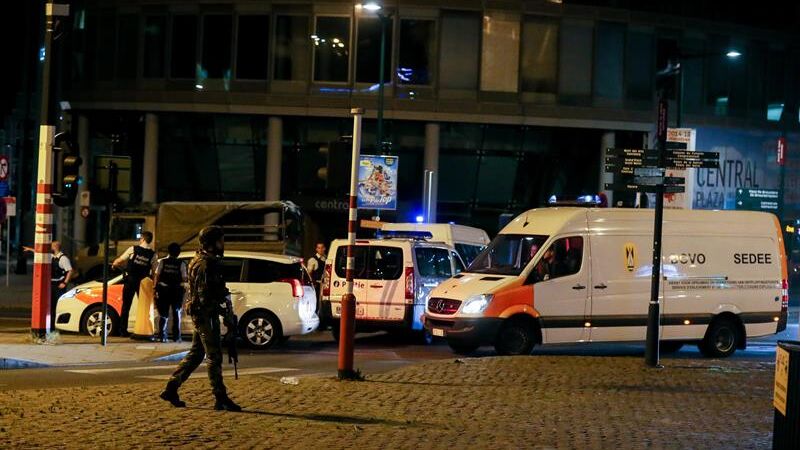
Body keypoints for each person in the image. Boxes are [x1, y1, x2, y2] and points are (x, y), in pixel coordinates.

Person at [160, 226, 241, 412]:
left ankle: (171, 388)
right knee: (214, 356)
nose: (222, 244)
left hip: (200, 313)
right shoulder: (208, 264)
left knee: (197, 354)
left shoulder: (197, 260)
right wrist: (225, 314)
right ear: (212, 243)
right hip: (206, 314)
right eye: (220, 241)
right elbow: (207, 295)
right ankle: (220, 397)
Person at [112, 231, 156, 337]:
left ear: (143, 239)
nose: (140, 240)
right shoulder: (153, 254)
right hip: (143, 283)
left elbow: (119, 261)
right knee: (144, 307)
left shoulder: (133, 249)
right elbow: (154, 272)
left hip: (130, 281)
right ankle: (143, 329)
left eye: (140, 238)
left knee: (126, 306)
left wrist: (114, 264)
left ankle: (123, 330)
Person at [153, 243, 187, 343]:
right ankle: (176, 337)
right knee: (176, 313)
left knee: (163, 313)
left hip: (164, 290)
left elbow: (157, 275)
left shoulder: (163, 262)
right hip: (176, 291)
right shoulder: (182, 264)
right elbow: (184, 278)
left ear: (169, 251)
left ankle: (162, 336)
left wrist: (155, 288)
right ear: (178, 253)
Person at [50, 241, 75, 331]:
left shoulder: (63, 258)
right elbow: (41, 253)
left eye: (51, 246)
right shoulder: (52, 256)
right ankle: (52, 325)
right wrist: (31, 250)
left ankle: (59, 325)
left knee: (58, 305)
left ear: (55, 247)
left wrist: (65, 283)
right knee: (51, 306)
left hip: (59, 285)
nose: (50, 248)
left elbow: (70, 271)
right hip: (51, 284)